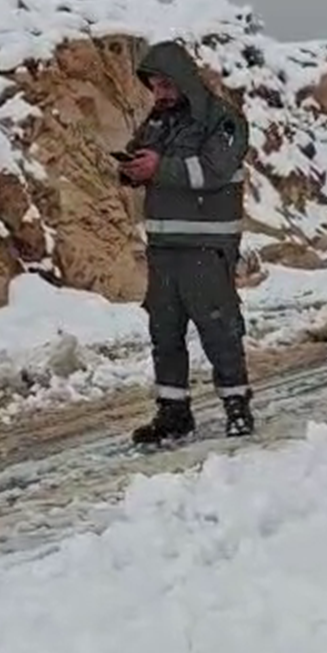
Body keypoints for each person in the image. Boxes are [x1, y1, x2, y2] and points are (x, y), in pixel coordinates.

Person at [117, 40, 256, 444]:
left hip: (204, 249)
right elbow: (142, 157)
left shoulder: (223, 120)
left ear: (184, 81)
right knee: (165, 333)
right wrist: (131, 170)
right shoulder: (158, 123)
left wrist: (160, 167)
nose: (159, 94)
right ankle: (173, 413)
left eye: (165, 85)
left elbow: (214, 169)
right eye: (154, 86)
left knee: (219, 329)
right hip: (164, 249)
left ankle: (237, 407)